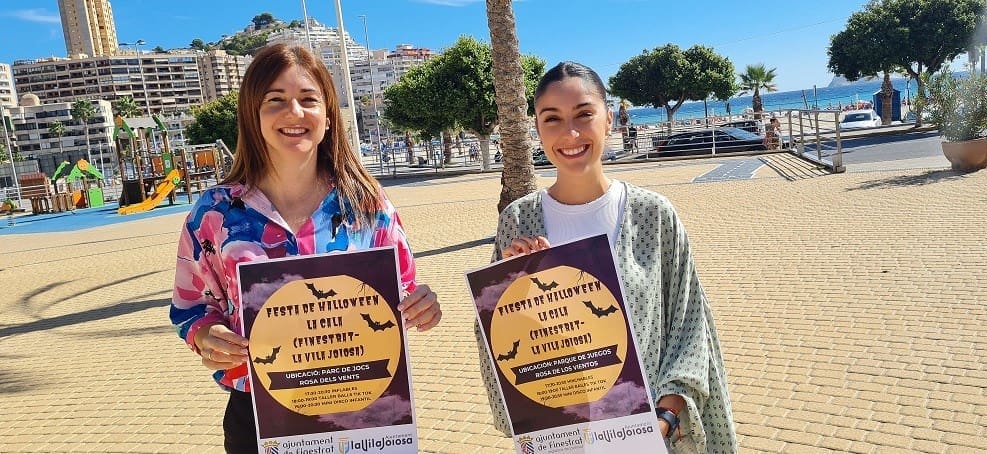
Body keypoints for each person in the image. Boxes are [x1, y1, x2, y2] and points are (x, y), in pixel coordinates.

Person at [169, 43, 442, 453]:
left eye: (308, 99)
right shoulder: (215, 212)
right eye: (275, 100)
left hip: (363, 410)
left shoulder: (367, 204)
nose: (294, 112)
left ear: (328, 117)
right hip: (260, 418)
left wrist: (422, 305)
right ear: (253, 116)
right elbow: (191, 307)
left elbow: (402, 288)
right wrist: (209, 337)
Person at [476, 61, 736, 452]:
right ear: (537, 130)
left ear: (609, 118)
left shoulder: (653, 214)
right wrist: (507, 288)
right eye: (552, 119)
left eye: (584, 114)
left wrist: (664, 419)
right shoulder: (518, 219)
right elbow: (498, 339)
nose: (570, 133)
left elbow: (689, 325)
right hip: (558, 438)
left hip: (644, 437)